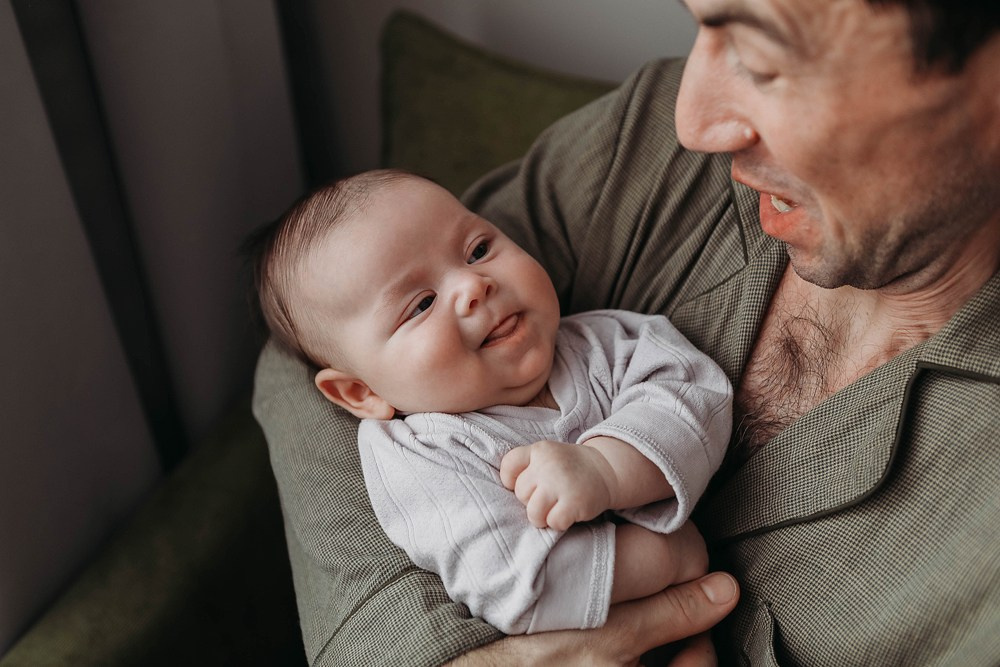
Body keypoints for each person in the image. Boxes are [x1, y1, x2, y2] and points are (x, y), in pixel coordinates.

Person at [252, 0, 1000, 664]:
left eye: (763, 59)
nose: (693, 120)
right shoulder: (649, 152)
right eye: (703, 23)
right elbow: (301, 356)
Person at [251, 169, 732, 635]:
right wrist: (666, 556)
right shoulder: (425, 455)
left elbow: (696, 394)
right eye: (420, 304)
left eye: (478, 250)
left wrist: (606, 469)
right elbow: (516, 585)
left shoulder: (600, 341)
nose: (472, 285)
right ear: (362, 392)